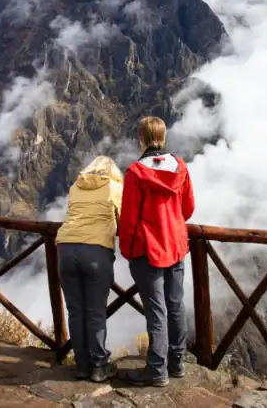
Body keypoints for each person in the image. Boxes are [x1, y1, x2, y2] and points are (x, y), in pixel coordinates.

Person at [118, 116, 195, 387]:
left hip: (148, 249)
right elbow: (188, 208)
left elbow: (128, 218)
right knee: (175, 306)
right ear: (163, 136)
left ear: (141, 138)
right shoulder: (180, 167)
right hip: (176, 245)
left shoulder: (136, 173)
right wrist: (172, 222)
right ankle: (177, 363)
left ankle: (156, 370)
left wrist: (127, 249)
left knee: (156, 311)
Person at [55, 155, 124, 383]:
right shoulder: (114, 187)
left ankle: (81, 365)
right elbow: (123, 220)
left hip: (65, 248)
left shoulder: (76, 186)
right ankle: (99, 366)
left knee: (75, 310)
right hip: (95, 251)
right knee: (95, 311)